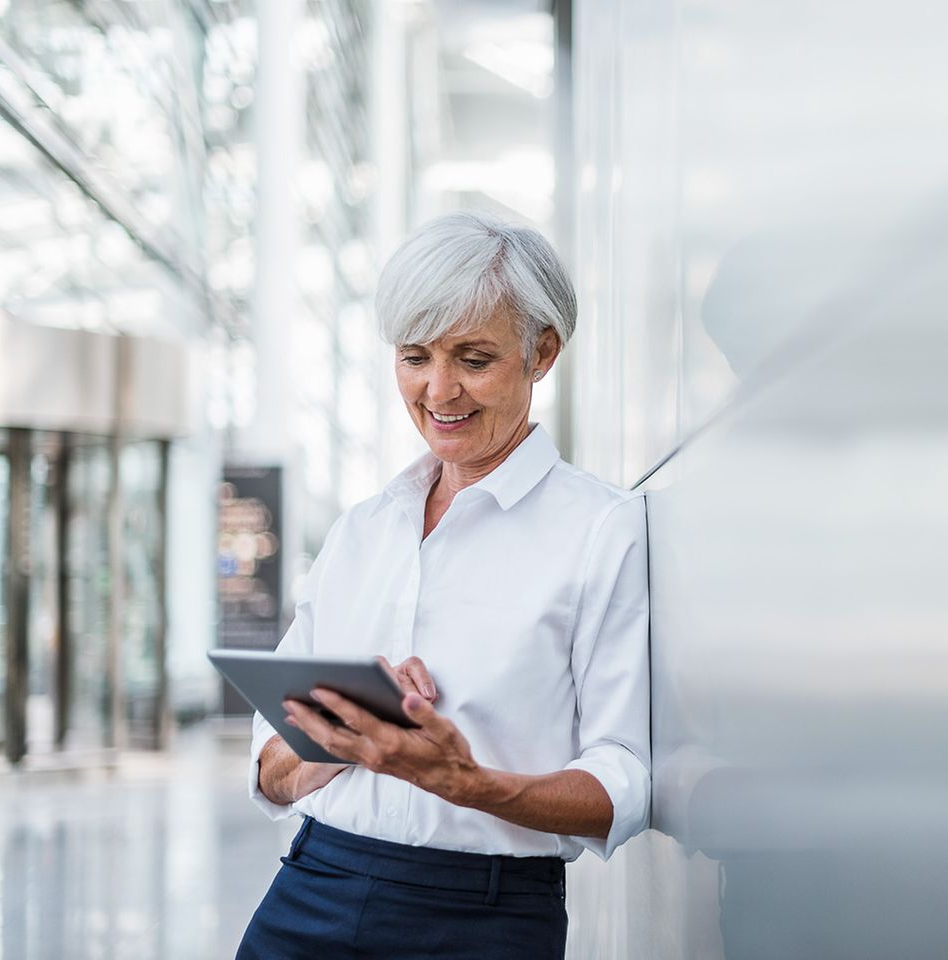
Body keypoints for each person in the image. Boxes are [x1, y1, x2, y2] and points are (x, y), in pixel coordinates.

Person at [235, 212, 651, 959]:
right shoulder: (361, 531)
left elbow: (625, 778)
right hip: (310, 887)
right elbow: (271, 770)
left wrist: (465, 780)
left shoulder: (602, 531)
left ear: (542, 352)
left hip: (481, 917)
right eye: (415, 356)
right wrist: (357, 738)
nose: (439, 389)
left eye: (475, 357)